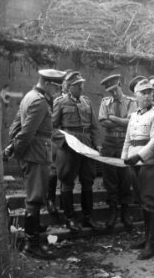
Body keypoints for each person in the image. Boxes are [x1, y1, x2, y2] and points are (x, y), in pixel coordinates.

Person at [10, 69, 66, 259]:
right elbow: (26, 132)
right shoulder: (40, 102)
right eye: (57, 87)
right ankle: (31, 244)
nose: (58, 91)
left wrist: (13, 147)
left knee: (35, 196)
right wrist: (18, 152)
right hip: (36, 154)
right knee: (34, 198)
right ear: (48, 84)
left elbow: (15, 127)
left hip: (33, 153)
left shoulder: (29, 96)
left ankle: (32, 232)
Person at [52, 71, 102, 232]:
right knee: (67, 182)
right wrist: (64, 141)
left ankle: (88, 217)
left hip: (86, 145)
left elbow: (94, 126)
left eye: (81, 84)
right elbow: (51, 128)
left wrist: (97, 145)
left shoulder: (86, 102)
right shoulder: (60, 102)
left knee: (88, 180)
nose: (81, 87)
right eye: (77, 85)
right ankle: (70, 218)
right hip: (68, 147)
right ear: (68, 87)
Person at [121, 79, 154, 260]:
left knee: (150, 202)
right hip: (134, 163)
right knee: (141, 201)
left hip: (151, 163)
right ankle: (146, 238)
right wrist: (123, 159)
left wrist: (139, 157)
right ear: (135, 96)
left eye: (149, 92)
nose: (147, 95)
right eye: (143, 92)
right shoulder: (133, 116)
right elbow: (128, 140)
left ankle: (151, 245)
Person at [98, 74, 137, 230]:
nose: (113, 94)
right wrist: (122, 122)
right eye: (110, 91)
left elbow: (131, 123)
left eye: (115, 90)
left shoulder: (131, 102)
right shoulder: (105, 102)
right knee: (110, 178)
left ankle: (125, 212)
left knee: (125, 177)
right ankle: (113, 211)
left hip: (124, 143)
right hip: (109, 143)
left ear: (120, 85)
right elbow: (102, 121)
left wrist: (113, 119)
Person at [46, 69, 73, 221]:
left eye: (69, 82)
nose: (66, 85)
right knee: (53, 170)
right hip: (55, 138)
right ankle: (50, 200)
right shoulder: (53, 97)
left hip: (68, 139)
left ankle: (64, 202)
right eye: (64, 82)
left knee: (66, 170)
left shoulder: (76, 98)